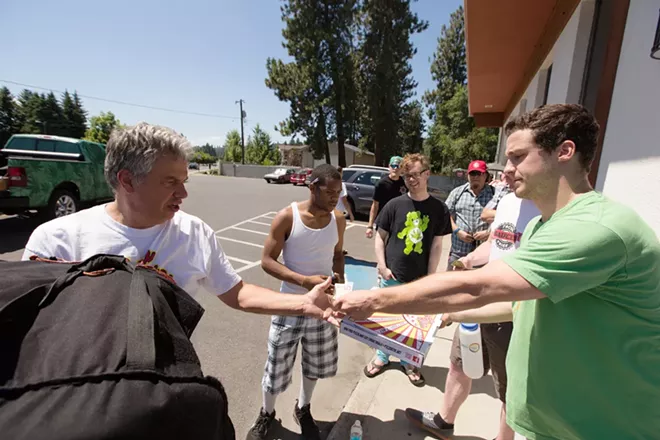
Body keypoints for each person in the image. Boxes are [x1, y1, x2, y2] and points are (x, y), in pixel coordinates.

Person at [333, 104, 660, 440]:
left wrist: (375, 300)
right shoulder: (540, 225)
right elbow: (518, 305)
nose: (505, 170)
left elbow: (480, 286)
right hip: (551, 425)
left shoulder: (598, 227)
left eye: (517, 157)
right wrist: (449, 315)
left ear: (565, 151)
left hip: (604, 427)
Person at [23, 123, 337, 327]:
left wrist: (304, 303)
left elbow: (237, 293)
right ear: (127, 180)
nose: (184, 193)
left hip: (167, 397)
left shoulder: (195, 234)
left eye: (184, 181)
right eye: (171, 182)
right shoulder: (57, 241)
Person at [407, 181, 540, 440]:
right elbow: (495, 243)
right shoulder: (508, 202)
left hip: (511, 312)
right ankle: (443, 422)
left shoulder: (547, 210)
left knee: (509, 388)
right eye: (509, 159)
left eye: (518, 158)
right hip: (481, 301)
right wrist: (468, 260)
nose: (509, 170)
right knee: (460, 364)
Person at [248, 164, 346, 440]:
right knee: (277, 363)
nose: (334, 198)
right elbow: (267, 261)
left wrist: (340, 283)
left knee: (315, 363)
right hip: (289, 301)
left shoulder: (338, 219)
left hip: (323, 306)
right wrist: (303, 281)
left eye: (338, 193)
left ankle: (303, 408)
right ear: (311, 186)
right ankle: (266, 413)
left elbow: (338, 254)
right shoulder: (287, 217)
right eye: (329, 192)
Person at [362, 153, 452, 386]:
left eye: (415, 175)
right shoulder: (394, 205)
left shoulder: (439, 209)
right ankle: (381, 356)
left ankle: (407, 361)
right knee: (386, 320)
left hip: (419, 280)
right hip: (391, 275)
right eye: (407, 176)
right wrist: (381, 266)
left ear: (427, 174)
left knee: (413, 323)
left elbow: (437, 245)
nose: (411, 180)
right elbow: (380, 238)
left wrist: (431, 277)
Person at [444, 160, 494, 267]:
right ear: (468, 175)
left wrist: (488, 232)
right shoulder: (457, 192)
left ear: (485, 175)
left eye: (479, 173)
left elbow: (504, 218)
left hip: (482, 255)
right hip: (458, 251)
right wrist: (457, 231)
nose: (475, 177)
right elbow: (445, 214)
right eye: (472, 173)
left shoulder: (495, 195)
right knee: (452, 282)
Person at [365, 156, 406, 239]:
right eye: (393, 166)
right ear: (389, 167)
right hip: (384, 222)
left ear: (402, 169)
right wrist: (370, 226)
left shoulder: (404, 184)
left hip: (399, 223)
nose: (395, 168)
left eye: (398, 166)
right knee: (382, 248)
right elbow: (375, 205)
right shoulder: (382, 184)